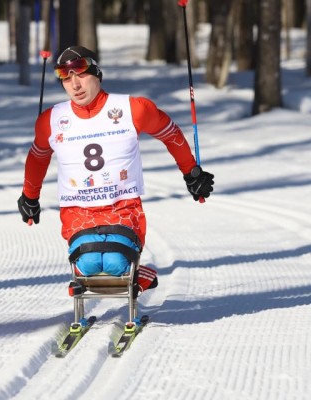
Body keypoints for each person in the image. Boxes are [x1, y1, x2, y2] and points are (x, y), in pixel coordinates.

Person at [18, 46, 214, 294]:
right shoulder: (52, 119)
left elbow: (169, 132)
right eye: (66, 79)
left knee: (115, 263)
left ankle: (135, 274)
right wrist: (29, 197)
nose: (75, 85)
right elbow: (38, 157)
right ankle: (118, 273)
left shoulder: (132, 109)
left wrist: (191, 172)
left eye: (81, 74)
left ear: (96, 73)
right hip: (78, 210)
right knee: (89, 264)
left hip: (122, 207)